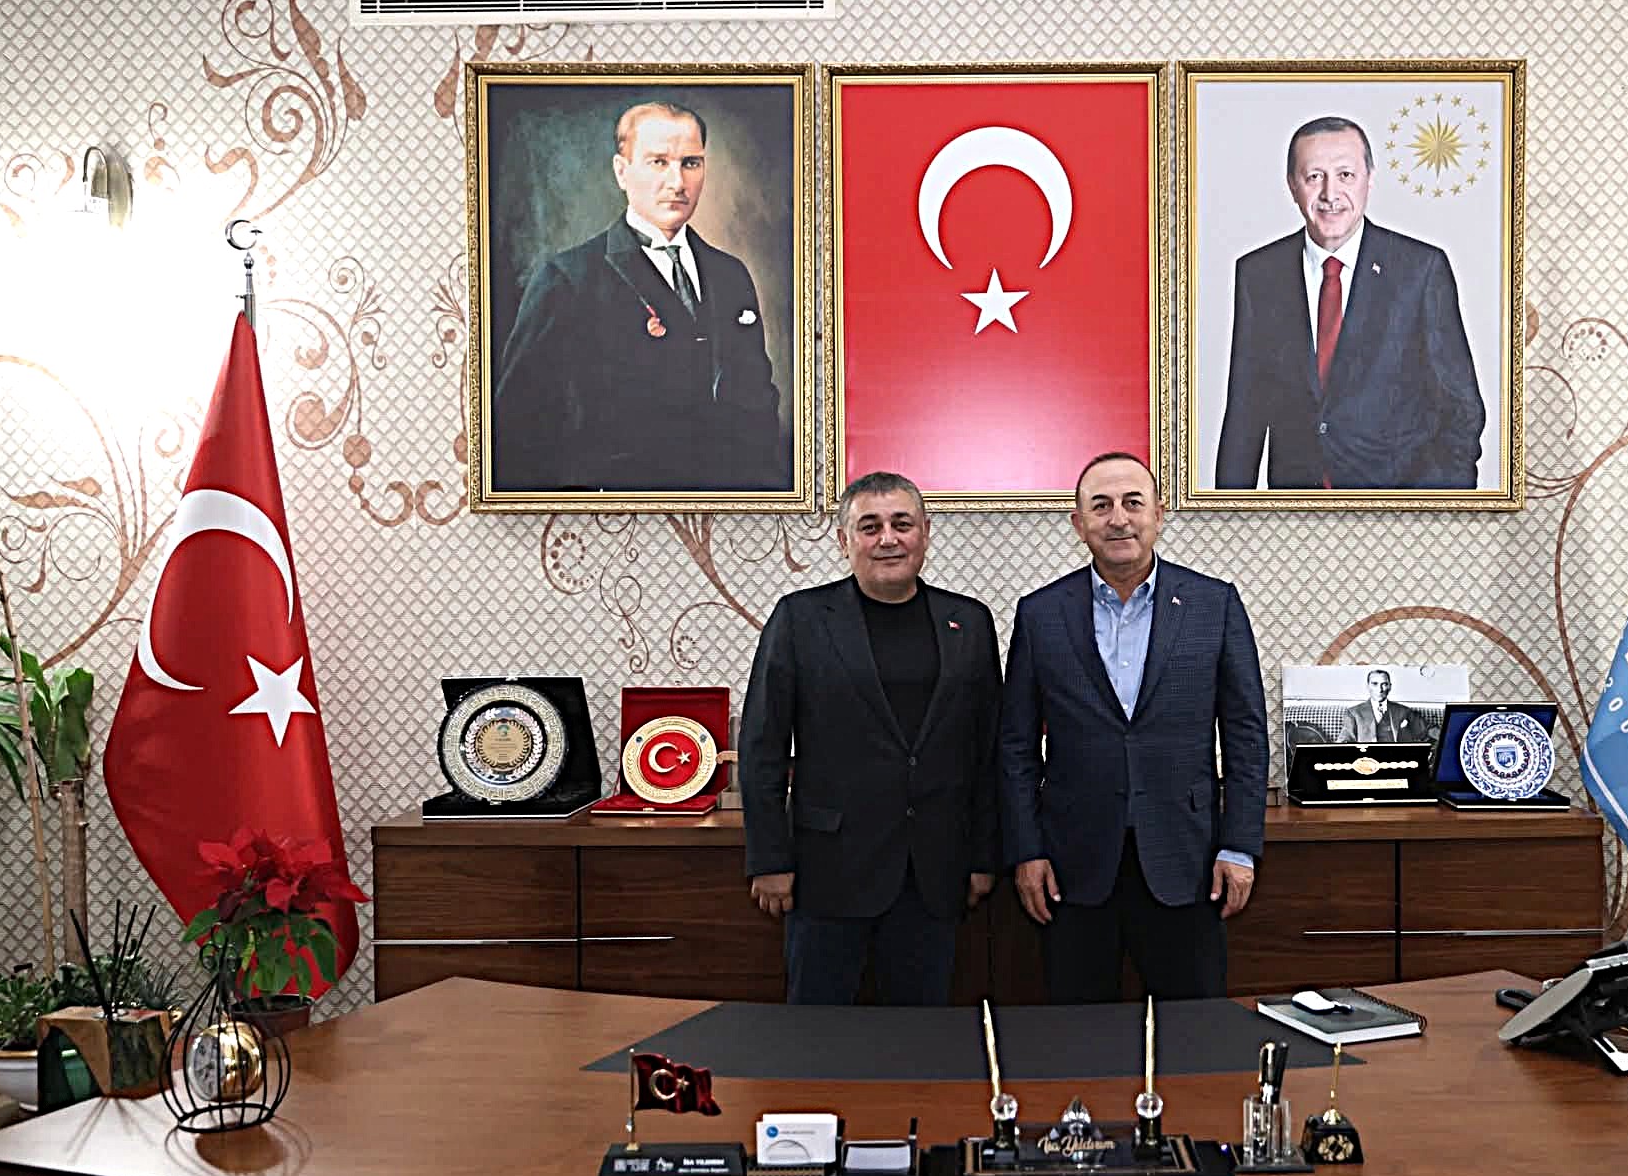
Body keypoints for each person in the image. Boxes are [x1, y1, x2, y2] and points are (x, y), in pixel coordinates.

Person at [1000, 452, 1269, 1002]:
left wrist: (1240, 846)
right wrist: (1026, 850)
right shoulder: (1040, 613)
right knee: (1079, 1032)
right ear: (1079, 524)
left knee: (1192, 1030)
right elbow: (1016, 747)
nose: (1118, 518)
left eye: (1132, 503)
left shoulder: (1213, 604)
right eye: (1100, 506)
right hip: (1072, 867)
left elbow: (1245, 736)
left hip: (1189, 862)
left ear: (1158, 514)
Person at [738, 471, 1000, 1004]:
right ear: (844, 540)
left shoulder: (968, 622)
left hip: (934, 872)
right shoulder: (800, 619)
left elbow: (988, 750)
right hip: (828, 872)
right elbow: (763, 747)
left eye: (902, 524)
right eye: (870, 526)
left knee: (918, 1034)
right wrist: (769, 860)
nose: (888, 539)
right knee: (819, 1033)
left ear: (925, 533)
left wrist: (984, 857)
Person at [491, 100, 786, 493]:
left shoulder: (731, 275)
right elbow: (519, 431)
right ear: (622, 171)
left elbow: (758, 405)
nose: (677, 182)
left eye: (690, 163)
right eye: (658, 162)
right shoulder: (567, 280)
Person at [1213, 116, 1485, 492]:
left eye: (1345, 175)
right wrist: (1229, 513)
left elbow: (1461, 410)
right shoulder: (1259, 274)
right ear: (1292, 185)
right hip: (1295, 511)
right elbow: (1245, 411)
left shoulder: (1420, 270)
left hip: (1395, 505)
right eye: (1314, 177)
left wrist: (1436, 509)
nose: (1330, 193)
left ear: (1369, 180)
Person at [1338, 668, 1425, 742]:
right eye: (1375, 684)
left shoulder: (1404, 711)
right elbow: (1344, 742)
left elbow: (1427, 731)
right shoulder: (1354, 713)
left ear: (1390, 687)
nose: (1380, 689)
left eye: (1384, 684)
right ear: (1368, 686)